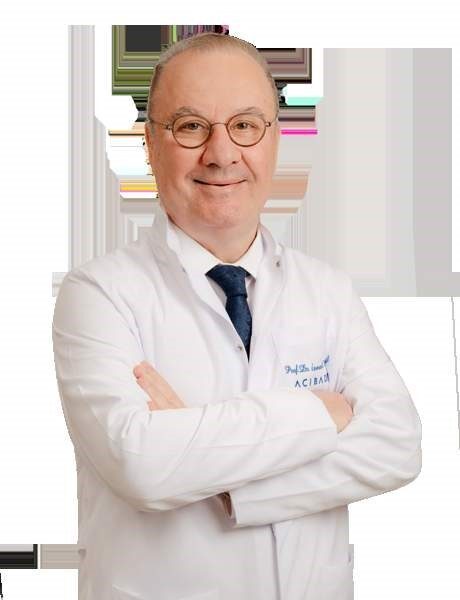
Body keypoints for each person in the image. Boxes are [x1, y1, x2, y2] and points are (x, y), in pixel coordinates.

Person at [52, 33, 422, 600]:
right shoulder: (98, 295)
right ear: (149, 144)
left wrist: (225, 484)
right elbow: (140, 463)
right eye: (191, 126)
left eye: (246, 125)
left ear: (275, 140)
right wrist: (320, 413)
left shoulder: (328, 290)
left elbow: (398, 445)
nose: (222, 153)